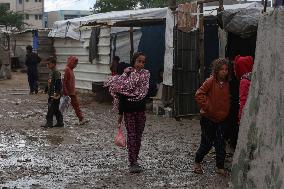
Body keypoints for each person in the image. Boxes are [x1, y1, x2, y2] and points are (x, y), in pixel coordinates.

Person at [105, 52, 150, 173]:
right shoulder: (127, 74)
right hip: (129, 112)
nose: (141, 64)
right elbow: (122, 95)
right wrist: (120, 114)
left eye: (143, 62)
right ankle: (132, 162)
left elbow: (145, 93)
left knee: (138, 137)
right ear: (133, 61)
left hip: (141, 111)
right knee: (132, 136)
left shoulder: (146, 75)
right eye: (138, 61)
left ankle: (135, 158)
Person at [194, 58, 231, 176]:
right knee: (207, 143)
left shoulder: (228, 84)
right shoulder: (210, 81)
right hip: (208, 119)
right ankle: (197, 162)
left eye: (226, 69)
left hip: (222, 119)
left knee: (221, 143)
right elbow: (199, 94)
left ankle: (220, 166)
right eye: (221, 69)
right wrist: (207, 106)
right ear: (216, 70)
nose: (224, 72)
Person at [62, 56, 88, 125]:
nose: (75, 65)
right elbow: (63, 82)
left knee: (75, 105)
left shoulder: (70, 70)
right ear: (71, 62)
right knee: (63, 106)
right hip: (68, 93)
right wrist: (65, 91)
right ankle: (58, 119)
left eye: (76, 64)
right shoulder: (67, 70)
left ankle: (81, 118)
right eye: (75, 63)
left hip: (71, 92)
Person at [42, 57, 64, 128]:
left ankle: (49, 123)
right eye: (47, 64)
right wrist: (46, 89)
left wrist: (57, 93)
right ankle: (60, 122)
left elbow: (58, 83)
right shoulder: (51, 72)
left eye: (49, 64)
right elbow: (50, 82)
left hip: (54, 94)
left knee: (50, 109)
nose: (47, 65)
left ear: (54, 64)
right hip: (51, 93)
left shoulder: (56, 72)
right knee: (55, 109)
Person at [234, 55, 254, 123]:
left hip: (246, 115)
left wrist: (240, 117)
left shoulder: (244, 81)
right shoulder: (252, 78)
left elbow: (243, 100)